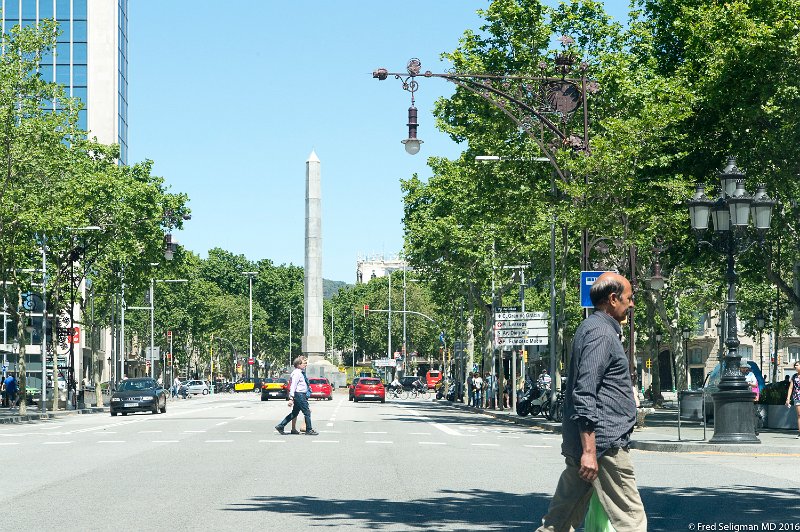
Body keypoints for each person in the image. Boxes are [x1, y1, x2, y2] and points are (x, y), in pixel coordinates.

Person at [536, 272, 646, 532]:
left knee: (558, 523)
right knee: (632, 521)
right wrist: (589, 451)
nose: (632, 305)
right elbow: (585, 392)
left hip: (589, 446)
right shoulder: (600, 334)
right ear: (612, 299)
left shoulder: (592, 328)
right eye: (629, 299)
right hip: (604, 446)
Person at [275, 357, 318, 436]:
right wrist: (291, 398)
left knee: (294, 413)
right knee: (307, 412)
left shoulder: (300, 372)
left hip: (301, 395)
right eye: (304, 363)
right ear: (298, 364)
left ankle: (281, 426)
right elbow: (293, 386)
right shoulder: (297, 373)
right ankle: (309, 429)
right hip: (299, 395)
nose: (306, 364)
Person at [741, 360, 760, 434]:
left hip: (751, 395)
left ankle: (755, 429)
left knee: (753, 413)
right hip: (742, 396)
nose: (745, 369)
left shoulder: (751, 374)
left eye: (746, 368)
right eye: (743, 368)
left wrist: (748, 383)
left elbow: (755, 384)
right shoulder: (738, 374)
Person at [785, 361, 800, 439]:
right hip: (797, 397)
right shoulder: (794, 376)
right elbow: (791, 388)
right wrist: (788, 398)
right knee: (799, 415)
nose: (795, 367)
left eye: (797, 365)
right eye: (795, 366)